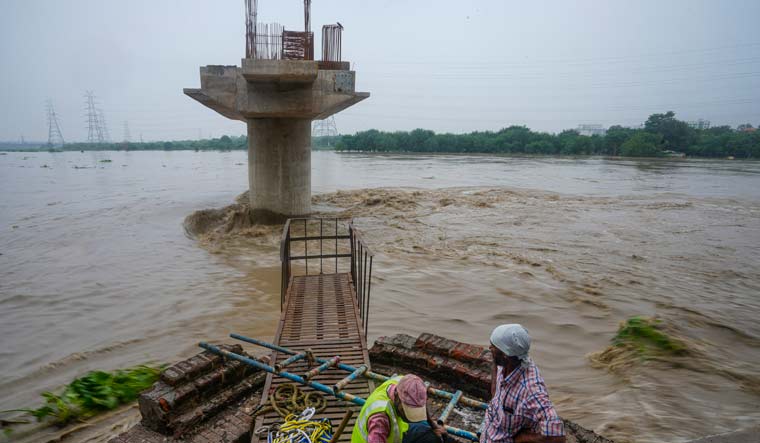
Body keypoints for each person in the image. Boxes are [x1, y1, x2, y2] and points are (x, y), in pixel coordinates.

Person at [480, 324, 565, 443]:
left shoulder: (531, 391)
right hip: (490, 433)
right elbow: (496, 368)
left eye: (493, 347)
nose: (489, 348)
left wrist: (522, 439)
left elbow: (557, 437)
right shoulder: (509, 362)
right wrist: (494, 394)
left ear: (505, 355)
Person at [352, 374, 445, 443]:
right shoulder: (380, 420)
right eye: (406, 410)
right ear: (397, 396)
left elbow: (420, 403)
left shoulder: (405, 383)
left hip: (397, 430)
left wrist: (434, 426)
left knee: (428, 429)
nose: (408, 416)